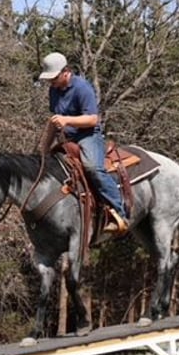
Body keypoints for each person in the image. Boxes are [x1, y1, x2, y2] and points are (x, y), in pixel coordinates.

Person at [38, 52, 128, 234]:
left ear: (65, 72)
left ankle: (119, 213)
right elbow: (54, 121)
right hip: (68, 138)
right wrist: (44, 150)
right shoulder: (54, 90)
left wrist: (67, 120)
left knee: (93, 168)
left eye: (53, 78)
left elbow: (93, 119)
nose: (51, 82)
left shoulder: (82, 88)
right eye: (49, 79)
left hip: (88, 135)